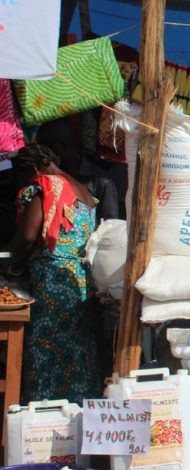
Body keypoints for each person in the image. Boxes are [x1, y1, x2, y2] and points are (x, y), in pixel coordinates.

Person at [8, 144, 101, 403]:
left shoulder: (45, 185)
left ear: (34, 168)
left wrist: (13, 264)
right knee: (77, 345)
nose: (24, 182)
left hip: (53, 279)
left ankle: (43, 405)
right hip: (80, 278)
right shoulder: (83, 190)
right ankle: (78, 404)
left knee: (46, 343)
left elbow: (28, 236)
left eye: (24, 175)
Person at [35, 119, 122, 222]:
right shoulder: (48, 179)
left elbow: (111, 225)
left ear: (62, 146)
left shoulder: (101, 181)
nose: (43, 156)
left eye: (46, 150)